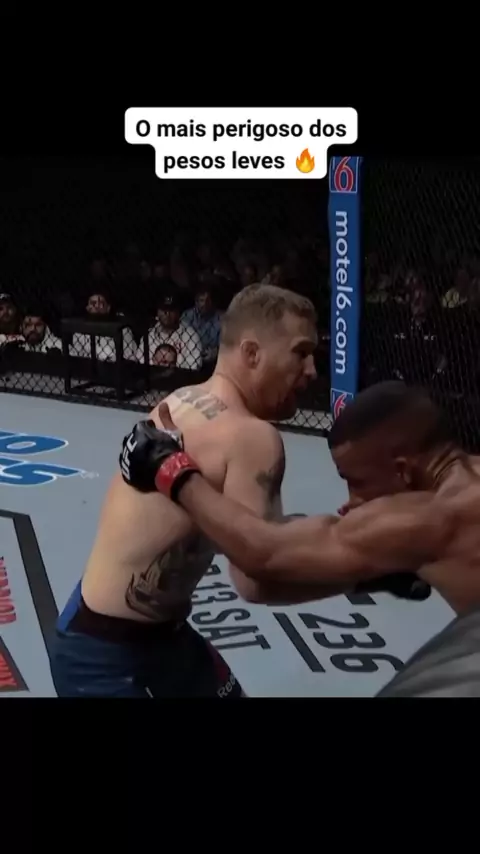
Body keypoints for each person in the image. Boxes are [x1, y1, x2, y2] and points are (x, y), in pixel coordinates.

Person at [48, 283, 324, 698]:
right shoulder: (252, 438)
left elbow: (246, 534)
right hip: (103, 656)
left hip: (134, 631)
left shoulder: (181, 399)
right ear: (252, 354)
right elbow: (258, 580)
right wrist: (359, 566)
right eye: (300, 353)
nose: (312, 371)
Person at [118, 380, 480, 618]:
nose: (351, 500)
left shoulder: (431, 518)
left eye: (357, 482)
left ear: (402, 470)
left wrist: (169, 467)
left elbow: (265, 555)